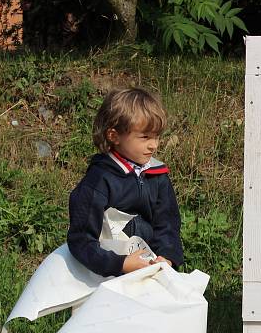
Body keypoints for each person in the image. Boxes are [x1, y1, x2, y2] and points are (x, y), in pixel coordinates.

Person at [68, 88, 183, 277]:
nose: (154, 145)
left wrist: (167, 257)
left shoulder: (157, 173)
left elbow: (167, 224)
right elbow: (81, 238)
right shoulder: (99, 178)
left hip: (152, 267)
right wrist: (120, 264)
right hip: (106, 273)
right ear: (114, 136)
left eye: (156, 136)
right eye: (145, 137)